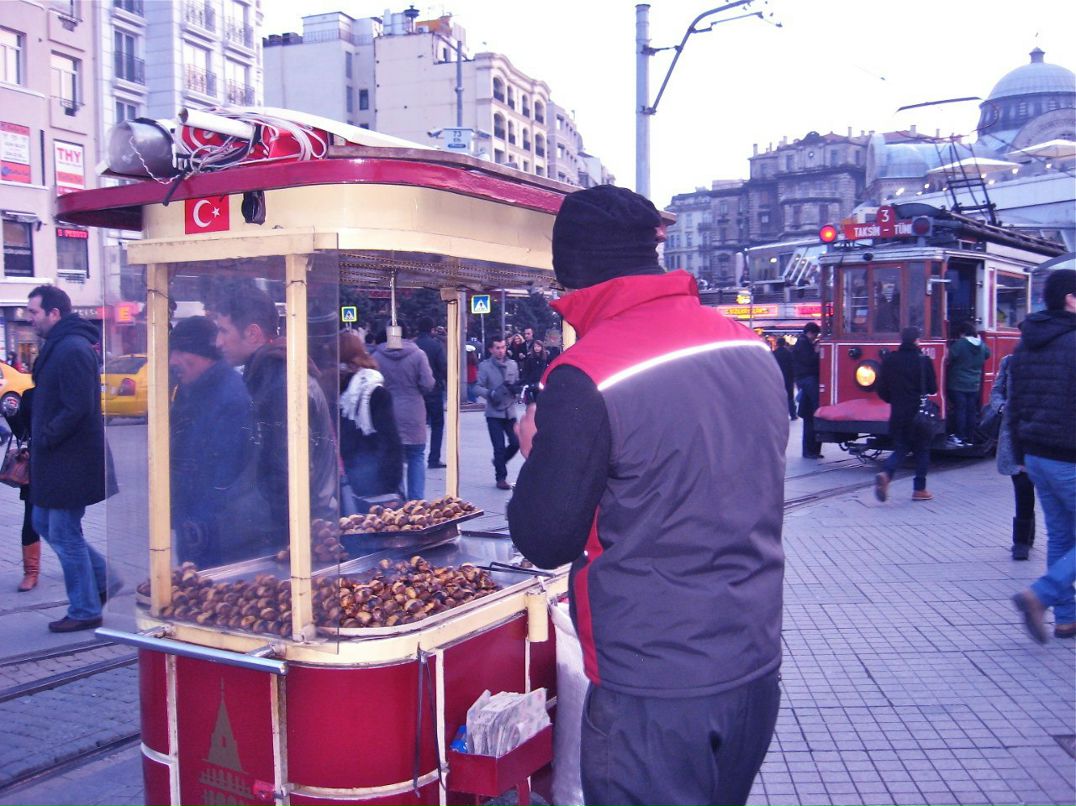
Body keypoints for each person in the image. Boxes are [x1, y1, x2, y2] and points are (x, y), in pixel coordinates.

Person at [508, 185, 786, 806]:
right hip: (753, 663)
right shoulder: (749, 347)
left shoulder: (587, 372)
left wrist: (535, 451)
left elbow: (543, 537)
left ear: (571, 269)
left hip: (653, 686)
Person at [26, 285, 118, 632]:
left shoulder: (73, 349)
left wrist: (48, 434)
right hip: (56, 458)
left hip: (71, 460)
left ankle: (85, 609)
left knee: (63, 532)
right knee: (44, 523)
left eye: (34, 312)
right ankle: (107, 580)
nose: (29, 318)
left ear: (55, 314)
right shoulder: (60, 346)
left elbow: (79, 405)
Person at [214, 285, 337, 535]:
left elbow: (286, 474)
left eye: (223, 331)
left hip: (295, 529)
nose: (218, 342)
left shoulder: (280, 383)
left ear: (253, 333)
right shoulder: (267, 374)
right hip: (299, 523)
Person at [1009, 269, 1076, 643]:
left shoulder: (1026, 343)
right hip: (1069, 455)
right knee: (1064, 537)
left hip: (1036, 456)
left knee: (1062, 537)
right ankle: (1042, 595)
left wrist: (1020, 454)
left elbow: (1015, 402)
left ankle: (1066, 619)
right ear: (1070, 299)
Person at [168, 317, 256, 567]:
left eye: (180, 351)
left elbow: (225, 474)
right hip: (195, 521)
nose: (173, 360)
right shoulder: (193, 389)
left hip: (215, 531)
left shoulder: (228, 396)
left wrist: (200, 521)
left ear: (204, 354)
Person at [873, 327, 938, 503]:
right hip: (919, 414)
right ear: (917, 340)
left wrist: (893, 399)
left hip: (898, 412)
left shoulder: (890, 360)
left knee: (901, 447)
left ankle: (886, 474)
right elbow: (933, 388)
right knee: (922, 449)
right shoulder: (923, 360)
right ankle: (919, 489)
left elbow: (881, 389)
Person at [372, 324, 435, 500]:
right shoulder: (418, 355)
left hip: (387, 413)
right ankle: (416, 502)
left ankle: (396, 500)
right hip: (414, 411)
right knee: (416, 455)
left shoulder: (377, 356)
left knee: (394, 458)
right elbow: (428, 384)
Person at [338, 330, 403, 501]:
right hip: (358, 478)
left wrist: (389, 486)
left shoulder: (371, 391)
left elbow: (389, 443)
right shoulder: (342, 390)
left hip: (373, 481)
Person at [989, 354, 1036, 560]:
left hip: (1045, 432)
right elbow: (996, 390)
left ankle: (1027, 533)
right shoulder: (1009, 361)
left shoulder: (1052, 359)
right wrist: (1000, 406)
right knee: (1023, 485)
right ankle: (1021, 540)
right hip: (1014, 431)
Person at [3, 389, 40, 591]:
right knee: (31, 517)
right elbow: (22, 433)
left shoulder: (64, 394)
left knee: (67, 521)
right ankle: (31, 572)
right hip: (36, 465)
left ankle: (82, 566)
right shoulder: (30, 396)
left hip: (61, 467)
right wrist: (13, 415)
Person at [474, 336, 521, 490]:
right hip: (494, 413)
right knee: (498, 447)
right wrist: (490, 393)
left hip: (510, 412)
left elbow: (517, 383)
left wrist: (517, 389)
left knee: (516, 443)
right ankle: (501, 477)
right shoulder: (485, 366)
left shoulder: (512, 364)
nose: (501, 351)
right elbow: (477, 387)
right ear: (491, 350)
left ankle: (499, 461)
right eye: (498, 348)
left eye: (503, 347)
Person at [946, 320, 990, 446]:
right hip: (974, 384)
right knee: (971, 411)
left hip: (958, 383)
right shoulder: (982, 345)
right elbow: (988, 354)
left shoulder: (960, 344)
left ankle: (960, 436)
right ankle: (970, 437)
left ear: (963, 333)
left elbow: (949, 357)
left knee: (960, 410)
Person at [414, 316, 447, 469]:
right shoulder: (436, 345)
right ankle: (434, 458)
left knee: (417, 424)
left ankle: (414, 455)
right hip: (434, 390)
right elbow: (443, 366)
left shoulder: (413, 345)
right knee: (437, 425)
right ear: (432, 330)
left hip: (416, 392)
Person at [792, 321, 823, 458]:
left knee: (810, 417)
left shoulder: (802, 343)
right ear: (810, 332)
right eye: (815, 334)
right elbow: (808, 361)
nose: (815, 337)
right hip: (807, 378)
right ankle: (810, 450)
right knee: (814, 411)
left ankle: (811, 450)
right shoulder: (803, 344)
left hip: (803, 379)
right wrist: (816, 353)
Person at [773, 336, 798, 420]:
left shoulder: (774, 353)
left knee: (777, 396)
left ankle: (779, 415)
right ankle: (793, 414)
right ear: (784, 343)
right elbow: (792, 366)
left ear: (777, 344)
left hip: (776, 377)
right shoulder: (789, 353)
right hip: (788, 377)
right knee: (790, 397)